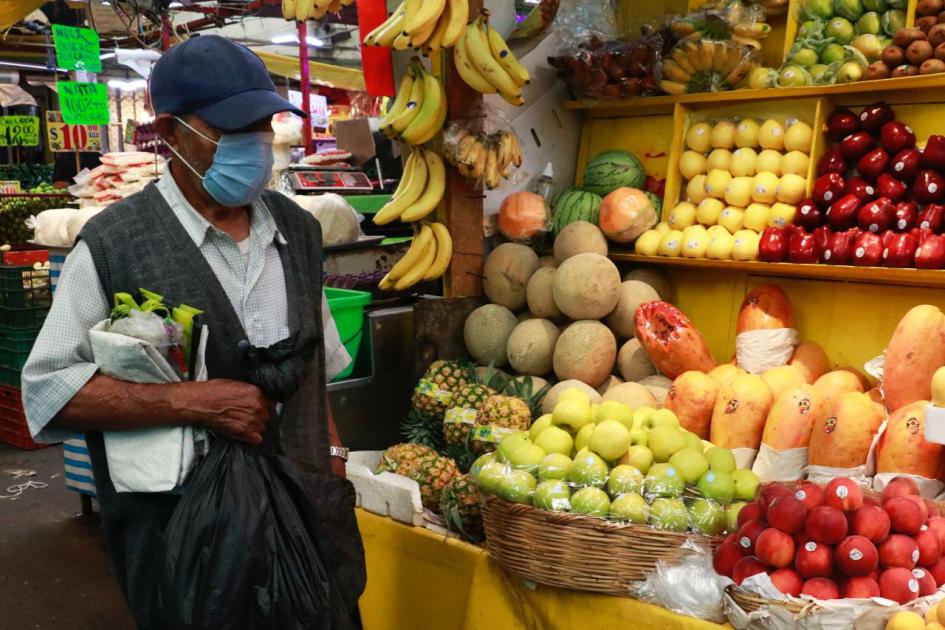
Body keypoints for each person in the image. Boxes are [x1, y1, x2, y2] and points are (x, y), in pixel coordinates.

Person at [22, 36, 364, 628]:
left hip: (308, 519)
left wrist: (333, 461)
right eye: (232, 129)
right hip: (188, 541)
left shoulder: (298, 232)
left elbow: (314, 371)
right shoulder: (113, 245)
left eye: (262, 125)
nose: (256, 144)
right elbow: (49, 389)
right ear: (171, 134)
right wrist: (192, 402)